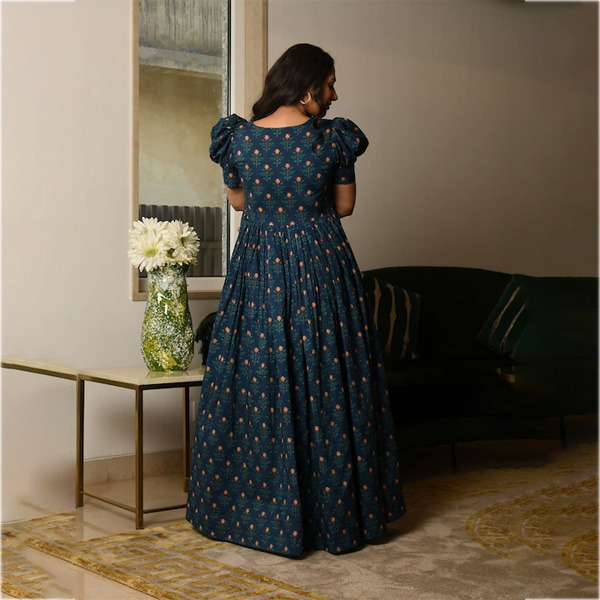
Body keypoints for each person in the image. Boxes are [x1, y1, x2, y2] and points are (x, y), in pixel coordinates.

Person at [186, 43, 405, 556]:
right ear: (308, 88)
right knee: (329, 377)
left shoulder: (237, 138)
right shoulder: (332, 139)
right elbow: (344, 206)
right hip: (321, 265)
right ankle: (334, 514)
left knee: (255, 377)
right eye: (329, 84)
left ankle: (248, 513)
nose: (335, 94)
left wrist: (272, 202)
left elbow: (239, 201)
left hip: (257, 267)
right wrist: (305, 198)